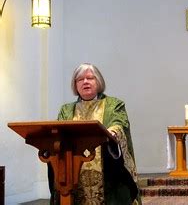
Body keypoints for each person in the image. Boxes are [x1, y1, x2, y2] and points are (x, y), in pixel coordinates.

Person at [48, 63, 141, 205]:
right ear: (75, 85)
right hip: (73, 174)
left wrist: (113, 132)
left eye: (90, 78)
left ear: (98, 81)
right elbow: (58, 132)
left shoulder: (113, 104)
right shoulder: (66, 110)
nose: (85, 82)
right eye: (80, 79)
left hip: (107, 171)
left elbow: (119, 122)